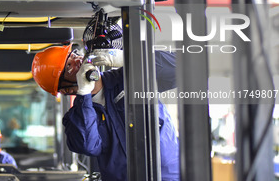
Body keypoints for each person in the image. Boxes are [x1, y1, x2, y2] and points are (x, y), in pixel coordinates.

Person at [31, 45, 179, 181]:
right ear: (66, 90)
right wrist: (84, 93)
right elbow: (87, 145)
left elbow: (181, 68)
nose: (78, 60)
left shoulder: (128, 78)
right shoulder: (75, 119)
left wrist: (130, 58)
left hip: (169, 175)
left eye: (73, 55)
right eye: (68, 66)